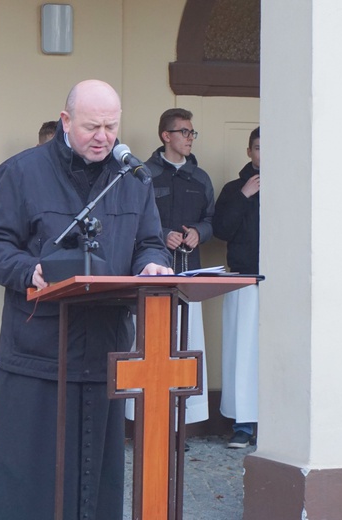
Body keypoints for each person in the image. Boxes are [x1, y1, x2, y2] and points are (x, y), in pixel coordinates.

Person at [0, 79, 172, 520]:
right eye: (92, 127)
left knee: (95, 488)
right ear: (65, 121)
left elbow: (150, 243)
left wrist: (153, 264)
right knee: (29, 486)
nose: (103, 137)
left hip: (107, 351)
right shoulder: (22, 172)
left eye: (111, 126)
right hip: (39, 352)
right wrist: (31, 270)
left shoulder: (133, 177)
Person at [143, 107, 215, 426]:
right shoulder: (143, 175)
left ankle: (181, 421)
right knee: (154, 345)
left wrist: (200, 232)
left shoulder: (200, 177)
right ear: (166, 136)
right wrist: (161, 235)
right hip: (153, 272)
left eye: (192, 132)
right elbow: (133, 221)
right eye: (183, 132)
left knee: (186, 345)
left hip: (190, 274)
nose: (190, 138)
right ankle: (152, 419)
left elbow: (212, 220)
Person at [213, 126, 260, 449]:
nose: (263, 154)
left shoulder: (294, 184)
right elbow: (221, 230)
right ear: (249, 152)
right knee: (243, 352)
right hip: (244, 278)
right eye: (258, 147)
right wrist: (244, 196)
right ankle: (243, 423)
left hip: (284, 281)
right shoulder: (233, 189)